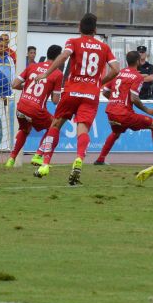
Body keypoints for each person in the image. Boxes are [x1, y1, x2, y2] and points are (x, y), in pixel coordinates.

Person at [34, 13, 120, 185]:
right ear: (95, 30)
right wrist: (99, 82)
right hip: (90, 95)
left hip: (72, 91)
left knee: (56, 124)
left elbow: (64, 56)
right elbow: (116, 69)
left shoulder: (73, 42)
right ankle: (79, 159)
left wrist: (46, 72)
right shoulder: (104, 47)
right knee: (83, 130)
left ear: (79, 27)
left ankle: (45, 164)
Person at [93, 50, 153, 166]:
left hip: (111, 112)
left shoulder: (119, 73)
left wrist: (115, 101)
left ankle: (100, 159)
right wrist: (147, 110)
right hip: (124, 113)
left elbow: (105, 91)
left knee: (116, 133)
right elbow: (134, 98)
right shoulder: (137, 76)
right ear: (137, 61)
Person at [4, 45, 63, 170]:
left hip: (21, 107)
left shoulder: (32, 66)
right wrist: (53, 90)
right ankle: (39, 155)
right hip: (36, 109)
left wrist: (27, 86)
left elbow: (14, 84)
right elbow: (55, 101)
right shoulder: (57, 73)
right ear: (59, 57)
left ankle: (11, 159)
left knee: (24, 130)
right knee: (55, 125)